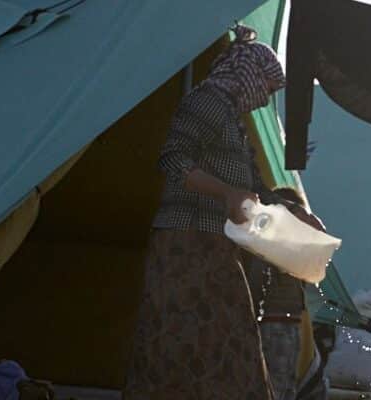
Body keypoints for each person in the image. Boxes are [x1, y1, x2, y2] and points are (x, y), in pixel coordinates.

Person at [126, 25, 300, 400]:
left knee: (229, 340)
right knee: (178, 340)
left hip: (216, 246)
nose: (264, 101)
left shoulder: (234, 124)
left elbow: (256, 186)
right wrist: (225, 192)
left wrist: (294, 214)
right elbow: (173, 158)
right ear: (249, 76)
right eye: (266, 90)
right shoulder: (206, 101)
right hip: (184, 242)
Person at [249, 187, 327, 400]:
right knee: (279, 385)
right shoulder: (275, 247)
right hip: (277, 322)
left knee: (284, 383)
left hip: (287, 321)